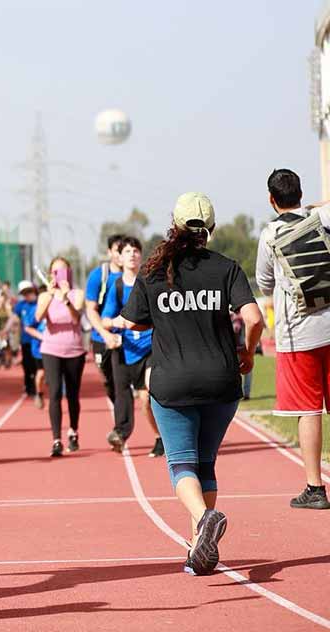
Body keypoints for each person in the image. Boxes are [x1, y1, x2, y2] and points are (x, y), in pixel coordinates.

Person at [115, 192, 263, 575]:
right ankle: (199, 548)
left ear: (175, 225)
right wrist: (247, 352)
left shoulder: (154, 271)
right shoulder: (226, 267)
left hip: (172, 383)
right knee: (206, 463)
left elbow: (133, 322)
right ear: (210, 230)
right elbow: (254, 317)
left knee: (181, 466)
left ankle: (204, 521)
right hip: (221, 381)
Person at [256, 169, 330, 510]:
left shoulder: (270, 234)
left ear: (272, 200)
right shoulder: (321, 218)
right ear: (301, 193)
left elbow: (265, 283)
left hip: (298, 333)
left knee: (309, 410)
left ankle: (315, 488)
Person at [102, 237, 163, 457]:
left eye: (136, 250)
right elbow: (105, 319)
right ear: (120, 256)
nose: (132, 254)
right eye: (127, 251)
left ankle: (160, 437)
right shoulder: (116, 286)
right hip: (126, 349)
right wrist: (116, 323)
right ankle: (121, 432)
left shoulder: (151, 280)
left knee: (148, 395)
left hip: (150, 346)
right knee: (120, 392)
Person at [36, 256, 86, 457]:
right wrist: (50, 295)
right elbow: (37, 317)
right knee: (55, 392)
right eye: (55, 272)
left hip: (74, 350)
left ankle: (73, 431)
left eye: (63, 271)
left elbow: (76, 318)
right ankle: (56, 439)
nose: (59, 275)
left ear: (69, 273)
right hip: (51, 349)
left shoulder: (77, 294)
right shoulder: (44, 296)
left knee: (72, 394)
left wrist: (66, 298)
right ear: (50, 275)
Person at [85, 234, 126, 435]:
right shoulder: (98, 276)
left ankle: (121, 429)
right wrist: (105, 333)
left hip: (131, 338)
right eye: (118, 250)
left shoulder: (137, 276)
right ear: (110, 252)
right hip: (102, 338)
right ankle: (121, 415)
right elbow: (90, 309)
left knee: (122, 385)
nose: (121, 255)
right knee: (109, 383)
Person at [13, 280, 41, 403]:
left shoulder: (41, 302)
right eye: (24, 293)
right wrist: (4, 330)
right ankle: (29, 387)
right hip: (26, 340)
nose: (27, 295)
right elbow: (13, 319)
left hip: (40, 341)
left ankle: (37, 387)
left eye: (29, 292)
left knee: (38, 366)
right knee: (27, 365)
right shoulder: (21, 305)